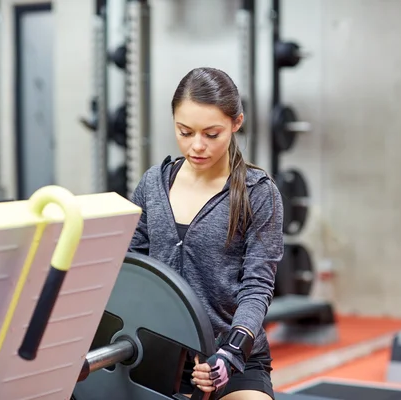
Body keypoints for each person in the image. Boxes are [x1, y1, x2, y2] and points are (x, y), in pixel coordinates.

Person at [128, 67, 284, 400]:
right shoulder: (152, 186)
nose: (197, 146)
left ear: (236, 123)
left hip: (232, 359)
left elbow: (257, 285)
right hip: (156, 353)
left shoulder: (258, 193)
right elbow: (130, 270)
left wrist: (232, 351)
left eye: (211, 134)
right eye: (184, 132)